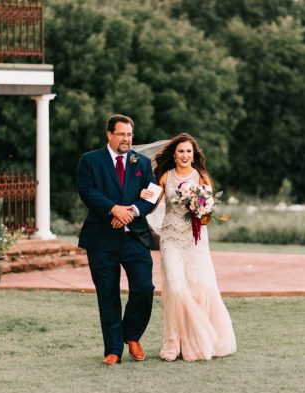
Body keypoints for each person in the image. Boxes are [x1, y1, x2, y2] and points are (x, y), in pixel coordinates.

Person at [142, 133, 236, 361]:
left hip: (196, 241)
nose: (185, 155)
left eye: (188, 151)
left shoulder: (202, 177)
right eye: (181, 151)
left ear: (194, 155)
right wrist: (143, 195)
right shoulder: (164, 177)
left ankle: (197, 341)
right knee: (175, 288)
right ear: (174, 154)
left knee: (200, 287)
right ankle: (173, 344)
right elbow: (150, 204)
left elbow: (207, 214)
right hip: (171, 238)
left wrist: (200, 211)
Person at [76, 114, 157, 365]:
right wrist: (113, 209)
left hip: (135, 237)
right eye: (122, 134)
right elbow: (87, 191)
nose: (127, 139)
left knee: (144, 288)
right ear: (109, 134)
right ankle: (113, 349)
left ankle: (131, 334)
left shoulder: (142, 162)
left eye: (130, 134)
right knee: (108, 294)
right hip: (101, 239)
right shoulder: (90, 160)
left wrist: (129, 211)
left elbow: (152, 194)